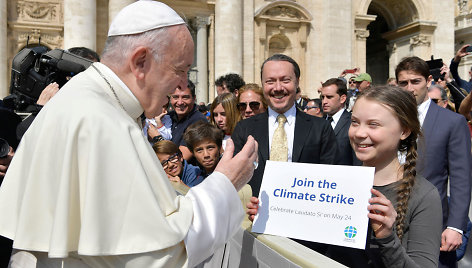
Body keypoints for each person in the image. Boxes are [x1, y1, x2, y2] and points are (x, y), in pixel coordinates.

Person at [0, 1, 258, 267]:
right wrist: (224, 184)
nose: (183, 84)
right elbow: (156, 257)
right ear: (140, 62)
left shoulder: (90, 100)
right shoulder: (100, 120)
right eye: (179, 70)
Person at [248, 86, 443, 267]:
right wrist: (272, 215)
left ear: (405, 130)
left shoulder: (423, 196)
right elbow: (310, 248)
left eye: (373, 125)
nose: (359, 133)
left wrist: (386, 237)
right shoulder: (335, 183)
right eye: (355, 122)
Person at [396, 56, 472, 268]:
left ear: (428, 81)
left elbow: (461, 178)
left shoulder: (452, 122)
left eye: (415, 81)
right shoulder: (388, 118)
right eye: (403, 83)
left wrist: (456, 227)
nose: (409, 88)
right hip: (390, 224)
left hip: (434, 226)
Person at [232, 53, 337, 198]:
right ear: (262, 84)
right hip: (254, 216)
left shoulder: (320, 129)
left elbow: (331, 178)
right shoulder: (244, 129)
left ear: (297, 82)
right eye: (270, 81)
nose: (278, 88)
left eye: (285, 80)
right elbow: (235, 178)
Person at [320, 78, 361, 166]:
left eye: (329, 97)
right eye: (322, 97)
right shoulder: (318, 123)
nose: (324, 101)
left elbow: (357, 159)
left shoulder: (353, 123)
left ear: (342, 99)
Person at [165, 80, 207, 160]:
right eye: (175, 97)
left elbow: (180, 159)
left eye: (185, 97)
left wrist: (157, 137)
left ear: (194, 98)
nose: (180, 102)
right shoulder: (168, 117)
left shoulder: (199, 121)